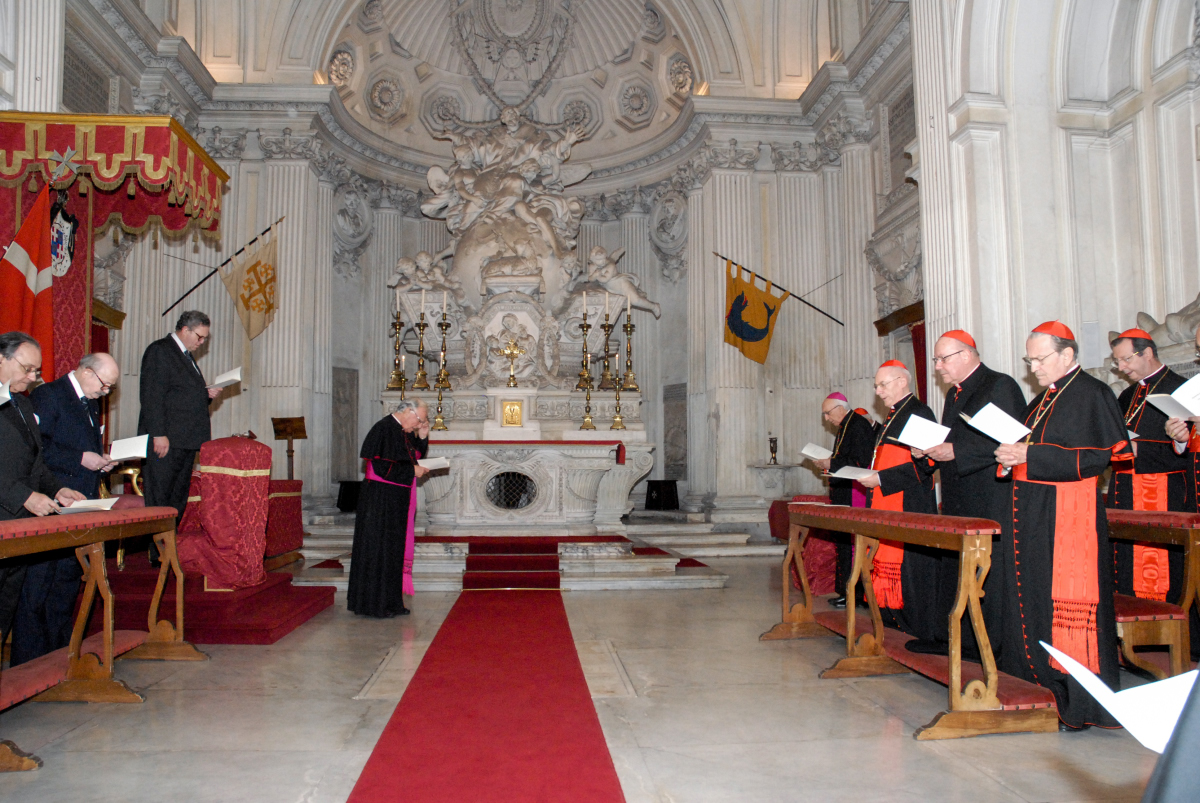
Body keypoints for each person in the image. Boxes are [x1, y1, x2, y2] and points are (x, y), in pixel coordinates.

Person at [993, 321, 1129, 729]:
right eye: (1029, 359)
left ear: (1067, 354)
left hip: (1068, 517)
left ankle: (1077, 697)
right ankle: (1037, 679)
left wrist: (1027, 457)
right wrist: (1008, 457)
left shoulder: (1093, 394)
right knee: (1034, 596)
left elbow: (1094, 459)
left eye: (1039, 358)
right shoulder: (1041, 400)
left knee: (1064, 603)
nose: (1032, 367)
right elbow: (1025, 448)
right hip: (1033, 515)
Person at [911, 330, 1025, 656]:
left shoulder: (1000, 385)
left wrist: (954, 451)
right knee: (958, 568)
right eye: (935, 360)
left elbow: (1007, 441)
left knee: (983, 573)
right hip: (958, 495)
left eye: (942, 359)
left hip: (988, 496)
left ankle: (983, 644)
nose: (938, 367)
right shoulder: (954, 394)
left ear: (966, 354)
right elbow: (952, 440)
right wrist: (932, 451)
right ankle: (955, 638)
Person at [12, 353, 119, 665]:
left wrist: (99, 461)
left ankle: (62, 657)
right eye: (104, 384)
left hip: (80, 502)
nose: (106, 392)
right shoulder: (49, 395)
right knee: (38, 587)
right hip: (50, 501)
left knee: (65, 584)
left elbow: (81, 445)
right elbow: (36, 448)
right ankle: (30, 663)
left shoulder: (89, 401)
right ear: (85, 371)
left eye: (110, 387)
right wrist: (79, 459)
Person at [0, 332, 86, 648]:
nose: (33, 377)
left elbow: (37, 462)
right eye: (27, 369)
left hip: (20, 527)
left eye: (36, 371)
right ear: (1, 359)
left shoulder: (22, 404)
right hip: (5, 513)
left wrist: (58, 489)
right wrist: (24, 496)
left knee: (6, 609)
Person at [1107, 328, 1191, 605]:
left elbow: (1187, 453)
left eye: (1126, 359)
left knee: (1170, 572)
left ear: (1148, 353)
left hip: (1165, 496)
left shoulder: (1181, 389)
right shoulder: (1127, 395)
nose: (1121, 368)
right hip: (1127, 491)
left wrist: (1140, 450)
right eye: (1117, 362)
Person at [857, 360, 939, 642]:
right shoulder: (892, 416)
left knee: (911, 572)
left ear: (902, 381)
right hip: (884, 501)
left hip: (909, 504)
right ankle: (890, 624)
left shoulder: (920, 412)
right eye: (877, 386)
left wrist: (881, 480)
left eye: (883, 384)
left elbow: (927, 464)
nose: (878, 392)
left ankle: (915, 628)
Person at [138, 311, 222, 564]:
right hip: (166, 440)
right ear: (185, 329)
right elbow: (152, 395)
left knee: (177, 498)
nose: (201, 342)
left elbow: (180, 395)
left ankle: (169, 550)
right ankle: (157, 554)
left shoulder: (186, 357)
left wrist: (205, 394)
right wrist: (159, 434)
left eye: (205, 339)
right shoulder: (160, 351)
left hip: (185, 439)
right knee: (160, 496)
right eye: (200, 337)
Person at [348, 400, 431, 618]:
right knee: (380, 550)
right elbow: (381, 466)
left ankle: (392, 602)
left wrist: (422, 437)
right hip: (380, 500)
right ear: (407, 411)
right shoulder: (384, 428)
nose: (417, 424)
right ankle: (376, 604)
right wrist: (412, 471)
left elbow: (411, 456)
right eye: (419, 419)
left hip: (395, 499)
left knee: (393, 550)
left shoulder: (401, 430)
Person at [813, 392, 875, 607]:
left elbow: (861, 461)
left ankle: (856, 594)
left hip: (854, 492)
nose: (826, 418)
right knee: (843, 543)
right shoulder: (845, 426)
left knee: (852, 544)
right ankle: (846, 591)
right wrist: (830, 464)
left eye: (828, 413)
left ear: (840, 407)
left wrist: (832, 464)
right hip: (843, 491)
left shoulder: (857, 425)